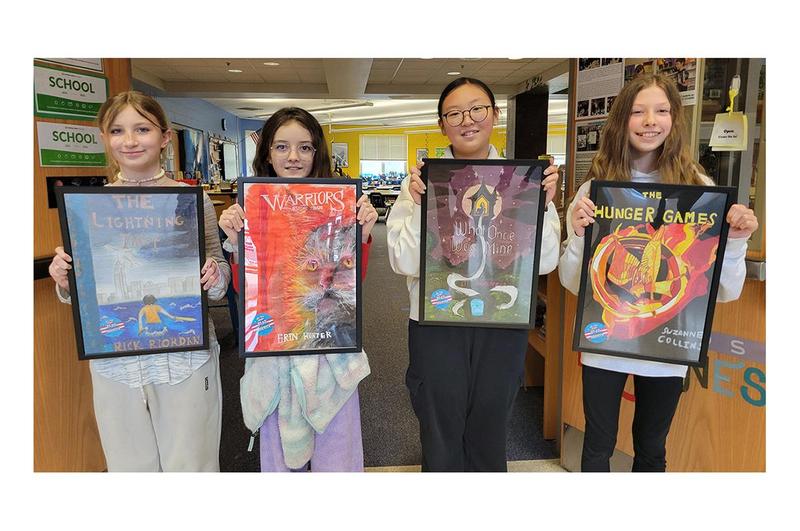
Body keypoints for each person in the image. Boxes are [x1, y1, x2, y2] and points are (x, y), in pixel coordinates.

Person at [558, 73, 759, 472]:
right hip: (606, 344)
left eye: (662, 110)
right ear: (621, 120)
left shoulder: (698, 187)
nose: (651, 120)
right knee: (597, 446)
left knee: (651, 449)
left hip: (668, 348)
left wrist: (735, 241)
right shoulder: (596, 188)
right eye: (638, 111)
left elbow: (725, 293)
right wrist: (578, 235)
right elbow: (570, 282)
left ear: (674, 119)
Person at [48, 91, 231, 472]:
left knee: (192, 465)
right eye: (117, 130)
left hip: (185, 359)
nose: (130, 140)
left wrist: (215, 273)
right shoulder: (89, 208)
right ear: (104, 137)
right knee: (130, 468)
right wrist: (65, 279)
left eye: (142, 129)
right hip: (117, 365)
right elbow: (80, 293)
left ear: (164, 137)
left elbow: (220, 277)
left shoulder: (192, 200)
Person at [386, 77, 562, 472]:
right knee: (440, 430)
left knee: (489, 429)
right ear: (441, 124)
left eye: (477, 108)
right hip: (437, 319)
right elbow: (402, 261)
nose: (467, 120)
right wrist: (419, 206)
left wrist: (545, 206)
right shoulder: (420, 182)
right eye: (454, 113)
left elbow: (546, 262)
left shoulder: (522, 182)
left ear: (495, 115)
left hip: (501, 321)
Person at [218, 107, 378, 472]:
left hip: (330, 350)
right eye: (282, 147)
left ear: (317, 152)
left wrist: (362, 234)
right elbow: (249, 292)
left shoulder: (339, 204)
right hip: (277, 348)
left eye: (305, 148)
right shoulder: (252, 207)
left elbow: (354, 283)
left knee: (337, 454)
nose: (293, 157)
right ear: (267, 153)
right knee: (280, 460)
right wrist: (234, 240)